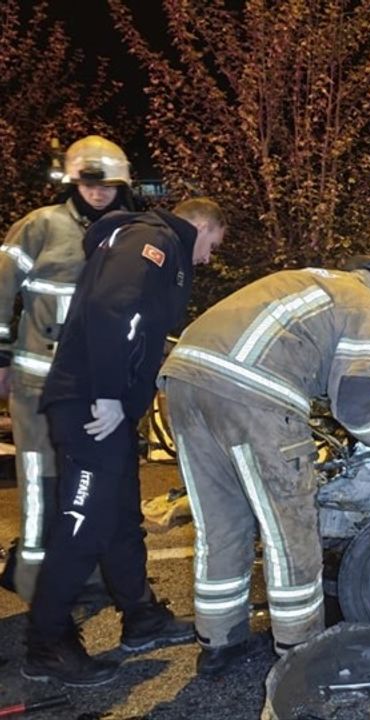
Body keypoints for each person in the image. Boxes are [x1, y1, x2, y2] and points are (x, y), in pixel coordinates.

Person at [157, 255, 370, 677]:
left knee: (220, 524)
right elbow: (355, 403)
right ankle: (302, 651)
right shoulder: (366, 304)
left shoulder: (317, 282)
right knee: (290, 530)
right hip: (251, 395)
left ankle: (219, 643)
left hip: (184, 383)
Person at [23, 198, 227, 686]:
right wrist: (111, 394)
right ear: (201, 225)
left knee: (118, 518)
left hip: (101, 406)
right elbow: (112, 308)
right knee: (83, 523)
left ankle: (141, 617)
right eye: (212, 245)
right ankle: (45, 645)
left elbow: (138, 326)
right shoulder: (153, 240)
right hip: (92, 406)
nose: (207, 258)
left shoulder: (144, 241)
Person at [0, 135, 132, 602]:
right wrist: (1, 356)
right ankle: (35, 584)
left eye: (107, 185)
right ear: (73, 182)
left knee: (84, 483)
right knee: (41, 482)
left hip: (91, 388)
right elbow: (2, 287)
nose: (98, 192)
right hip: (37, 384)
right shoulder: (41, 226)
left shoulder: (124, 234)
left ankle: (81, 576)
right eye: (89, 184)